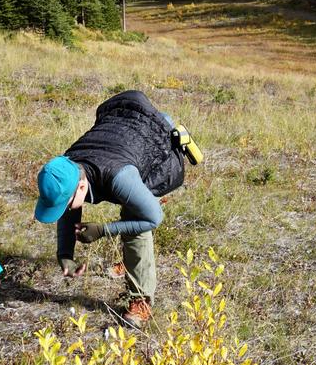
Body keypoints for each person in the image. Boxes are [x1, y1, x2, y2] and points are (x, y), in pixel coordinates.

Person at [33, 90, 202, 327]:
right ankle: (130, 263)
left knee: (136, 221)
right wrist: (65, 255)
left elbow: (154, 218)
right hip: (126, 133)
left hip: (159, 154)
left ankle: (141, 300)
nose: (67, 208)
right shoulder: (68, 166)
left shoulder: (119, 177)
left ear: (82, 186)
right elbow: (68, 208)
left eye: (68, 202)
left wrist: (103, 230)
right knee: (128, 208)